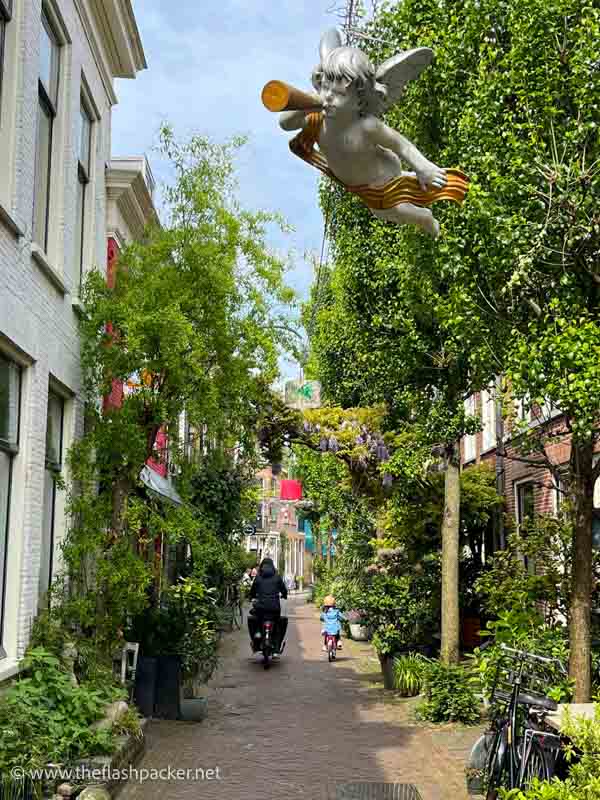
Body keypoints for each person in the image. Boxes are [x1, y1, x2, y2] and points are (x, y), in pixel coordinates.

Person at [248, 558, 288, 654]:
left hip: (261, 608)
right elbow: (284, 589)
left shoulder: (258, 577)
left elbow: (252, 591)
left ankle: (257, 634)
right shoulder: (277, 577)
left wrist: (252, 596)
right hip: (274, 608)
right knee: (278, 624)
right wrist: (284, 595)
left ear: (261, 566)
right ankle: (277, 646)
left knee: (256, 618)